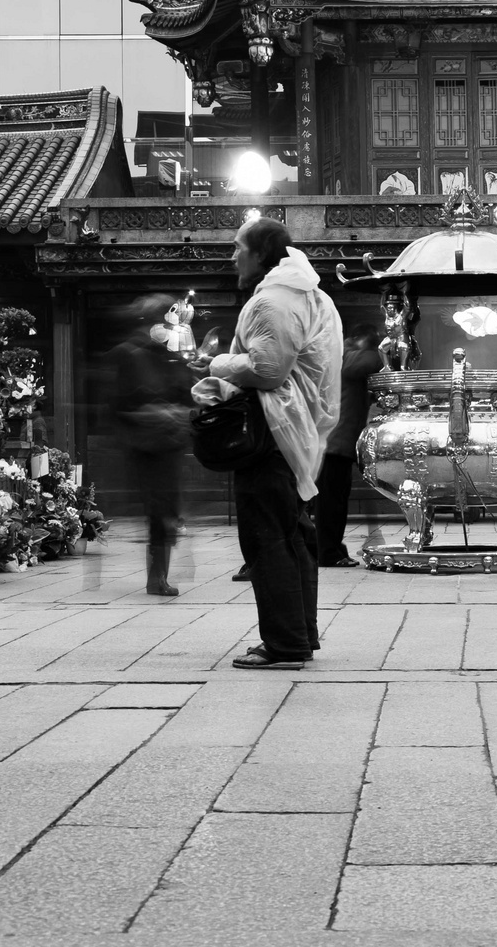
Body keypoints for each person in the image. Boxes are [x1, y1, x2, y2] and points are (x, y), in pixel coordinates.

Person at [196, 218, 343, 669]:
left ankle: (285, 644)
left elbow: (267, 370)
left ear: (261, 253)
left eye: (237, 246)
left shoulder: (275, 301)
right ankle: (300, 635)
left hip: (273, 432)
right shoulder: (310, 294)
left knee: (268, 540)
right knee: (291, 536)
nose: (232, 255)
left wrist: (218, 363)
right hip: (295, 434)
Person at [111, 294, 194, 596]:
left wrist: (178, 412)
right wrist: (154, 413)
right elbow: (118, 405)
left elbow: (184, 394)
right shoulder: (127, 353)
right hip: (144, 445)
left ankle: (159, 575)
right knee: (158, 510)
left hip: (168, 442)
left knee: (167, 510)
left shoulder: (165, 353)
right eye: (163, 316)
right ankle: (156, 577)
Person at [316, 324, 380, 567]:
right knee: (331, 502)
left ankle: (329, 549)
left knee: (332, 500)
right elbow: (368, 361)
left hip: (335, 441)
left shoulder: (340, 355)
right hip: (336, 442)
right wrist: (384, 348)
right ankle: (329, 552)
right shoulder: (347, 356)